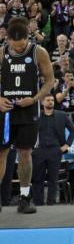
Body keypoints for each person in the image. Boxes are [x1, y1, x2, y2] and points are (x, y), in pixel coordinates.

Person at [0, 17, 56, 214]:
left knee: (25, 153)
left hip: (28, 110)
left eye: (21, 45)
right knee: (1, 153)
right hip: (5, 111)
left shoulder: (38, 52)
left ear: (27, 39)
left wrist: (34, 99)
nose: (18, 49)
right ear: (7, 40)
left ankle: (24, 198)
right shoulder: (2, 52)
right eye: (14, 46)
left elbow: (50, 80)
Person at [32, 95, 74, 206]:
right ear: (42, 102)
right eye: (48, 100)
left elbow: (73, 130)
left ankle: (51, 202)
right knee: (37, 178)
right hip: (39, 151)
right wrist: (31, 147)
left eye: (52, 100)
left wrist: (67, 145)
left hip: (55, 150)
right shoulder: (36, 116)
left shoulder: (62, 115)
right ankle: (38, 202)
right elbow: (28, 131)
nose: (51, 102)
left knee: (53, 178)